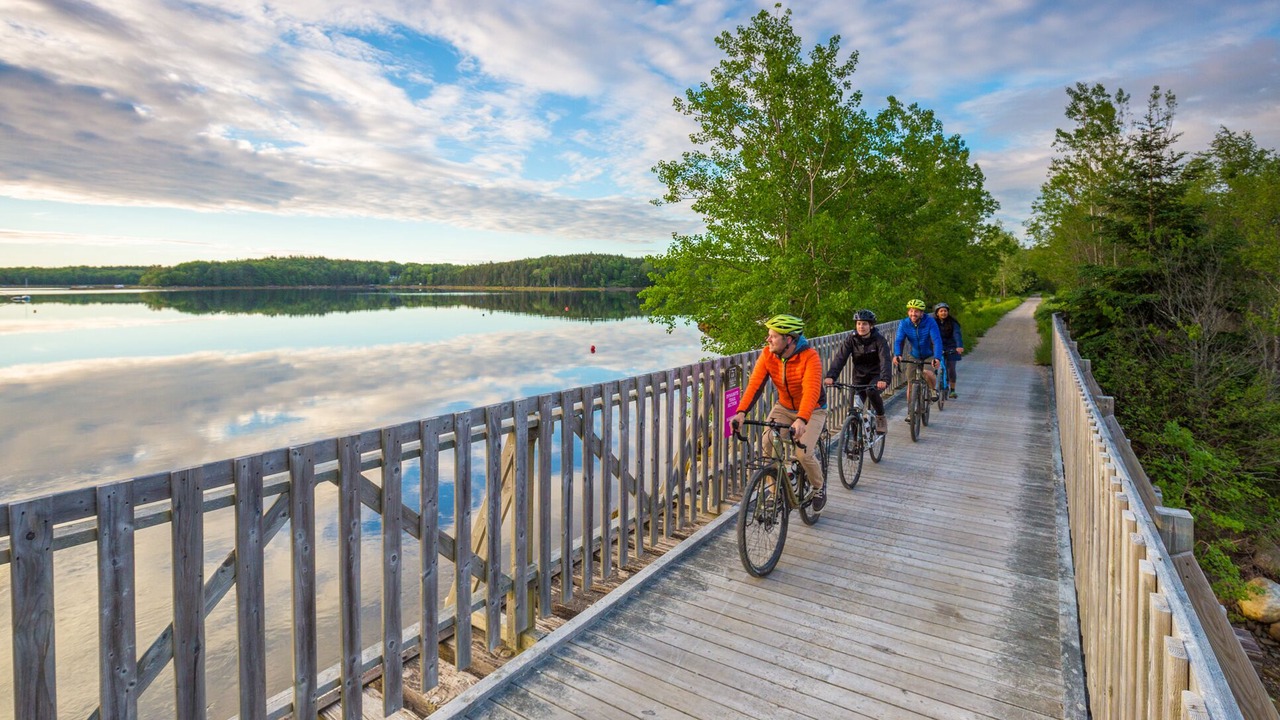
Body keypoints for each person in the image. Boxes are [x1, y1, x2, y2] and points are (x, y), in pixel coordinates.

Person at [730, 314, 829, 511]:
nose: (768, 340)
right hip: (784, 407)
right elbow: (755, 384)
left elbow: (811, 390)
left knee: (803, 454)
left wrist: (802, 419)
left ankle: (819, 487)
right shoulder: (768, 354)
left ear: (789, 339)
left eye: (773, 336)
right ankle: (776, 494)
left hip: (813, 410)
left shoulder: (810, 357)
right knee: (767, 443)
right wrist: (741, 412)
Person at [823, 309, 892, 434]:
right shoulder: (851, 339)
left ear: (871, 326)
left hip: (877, 376)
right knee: (854, 410)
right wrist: (831, 376)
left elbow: (885, 360)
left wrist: (884, 379)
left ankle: (880, 417)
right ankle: (854, 444)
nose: (861, 327)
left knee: (871, 392)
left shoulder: (879, 340)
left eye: (865, 324)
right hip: (859, 377)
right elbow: (840, 357)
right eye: (859, 323)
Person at [892, 298, 943, 423]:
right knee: (910, 384)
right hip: (914, 355)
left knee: (927, 372)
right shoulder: (904, 323)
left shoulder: (930, 322)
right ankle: (910, 412)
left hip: (929, 354)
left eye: (916, 311)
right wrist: (897, 354)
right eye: (910, 311)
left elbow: (936, 340)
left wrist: (937, 357)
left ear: (922, 313)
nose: (913, 314)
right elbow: (899, 340)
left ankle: (932, 389)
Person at [933, 302, 964, 399]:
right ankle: (934, 387)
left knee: (951, 368)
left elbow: (957, 335)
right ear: (937, 313)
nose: (943, 313)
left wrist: (959, 346)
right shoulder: (933, 323)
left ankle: (953, 390)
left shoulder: (953, 323)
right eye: (941, 311)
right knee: (934, 366)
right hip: (938, 347)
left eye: (945, 311)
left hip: (951, 347)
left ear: (948, 312)